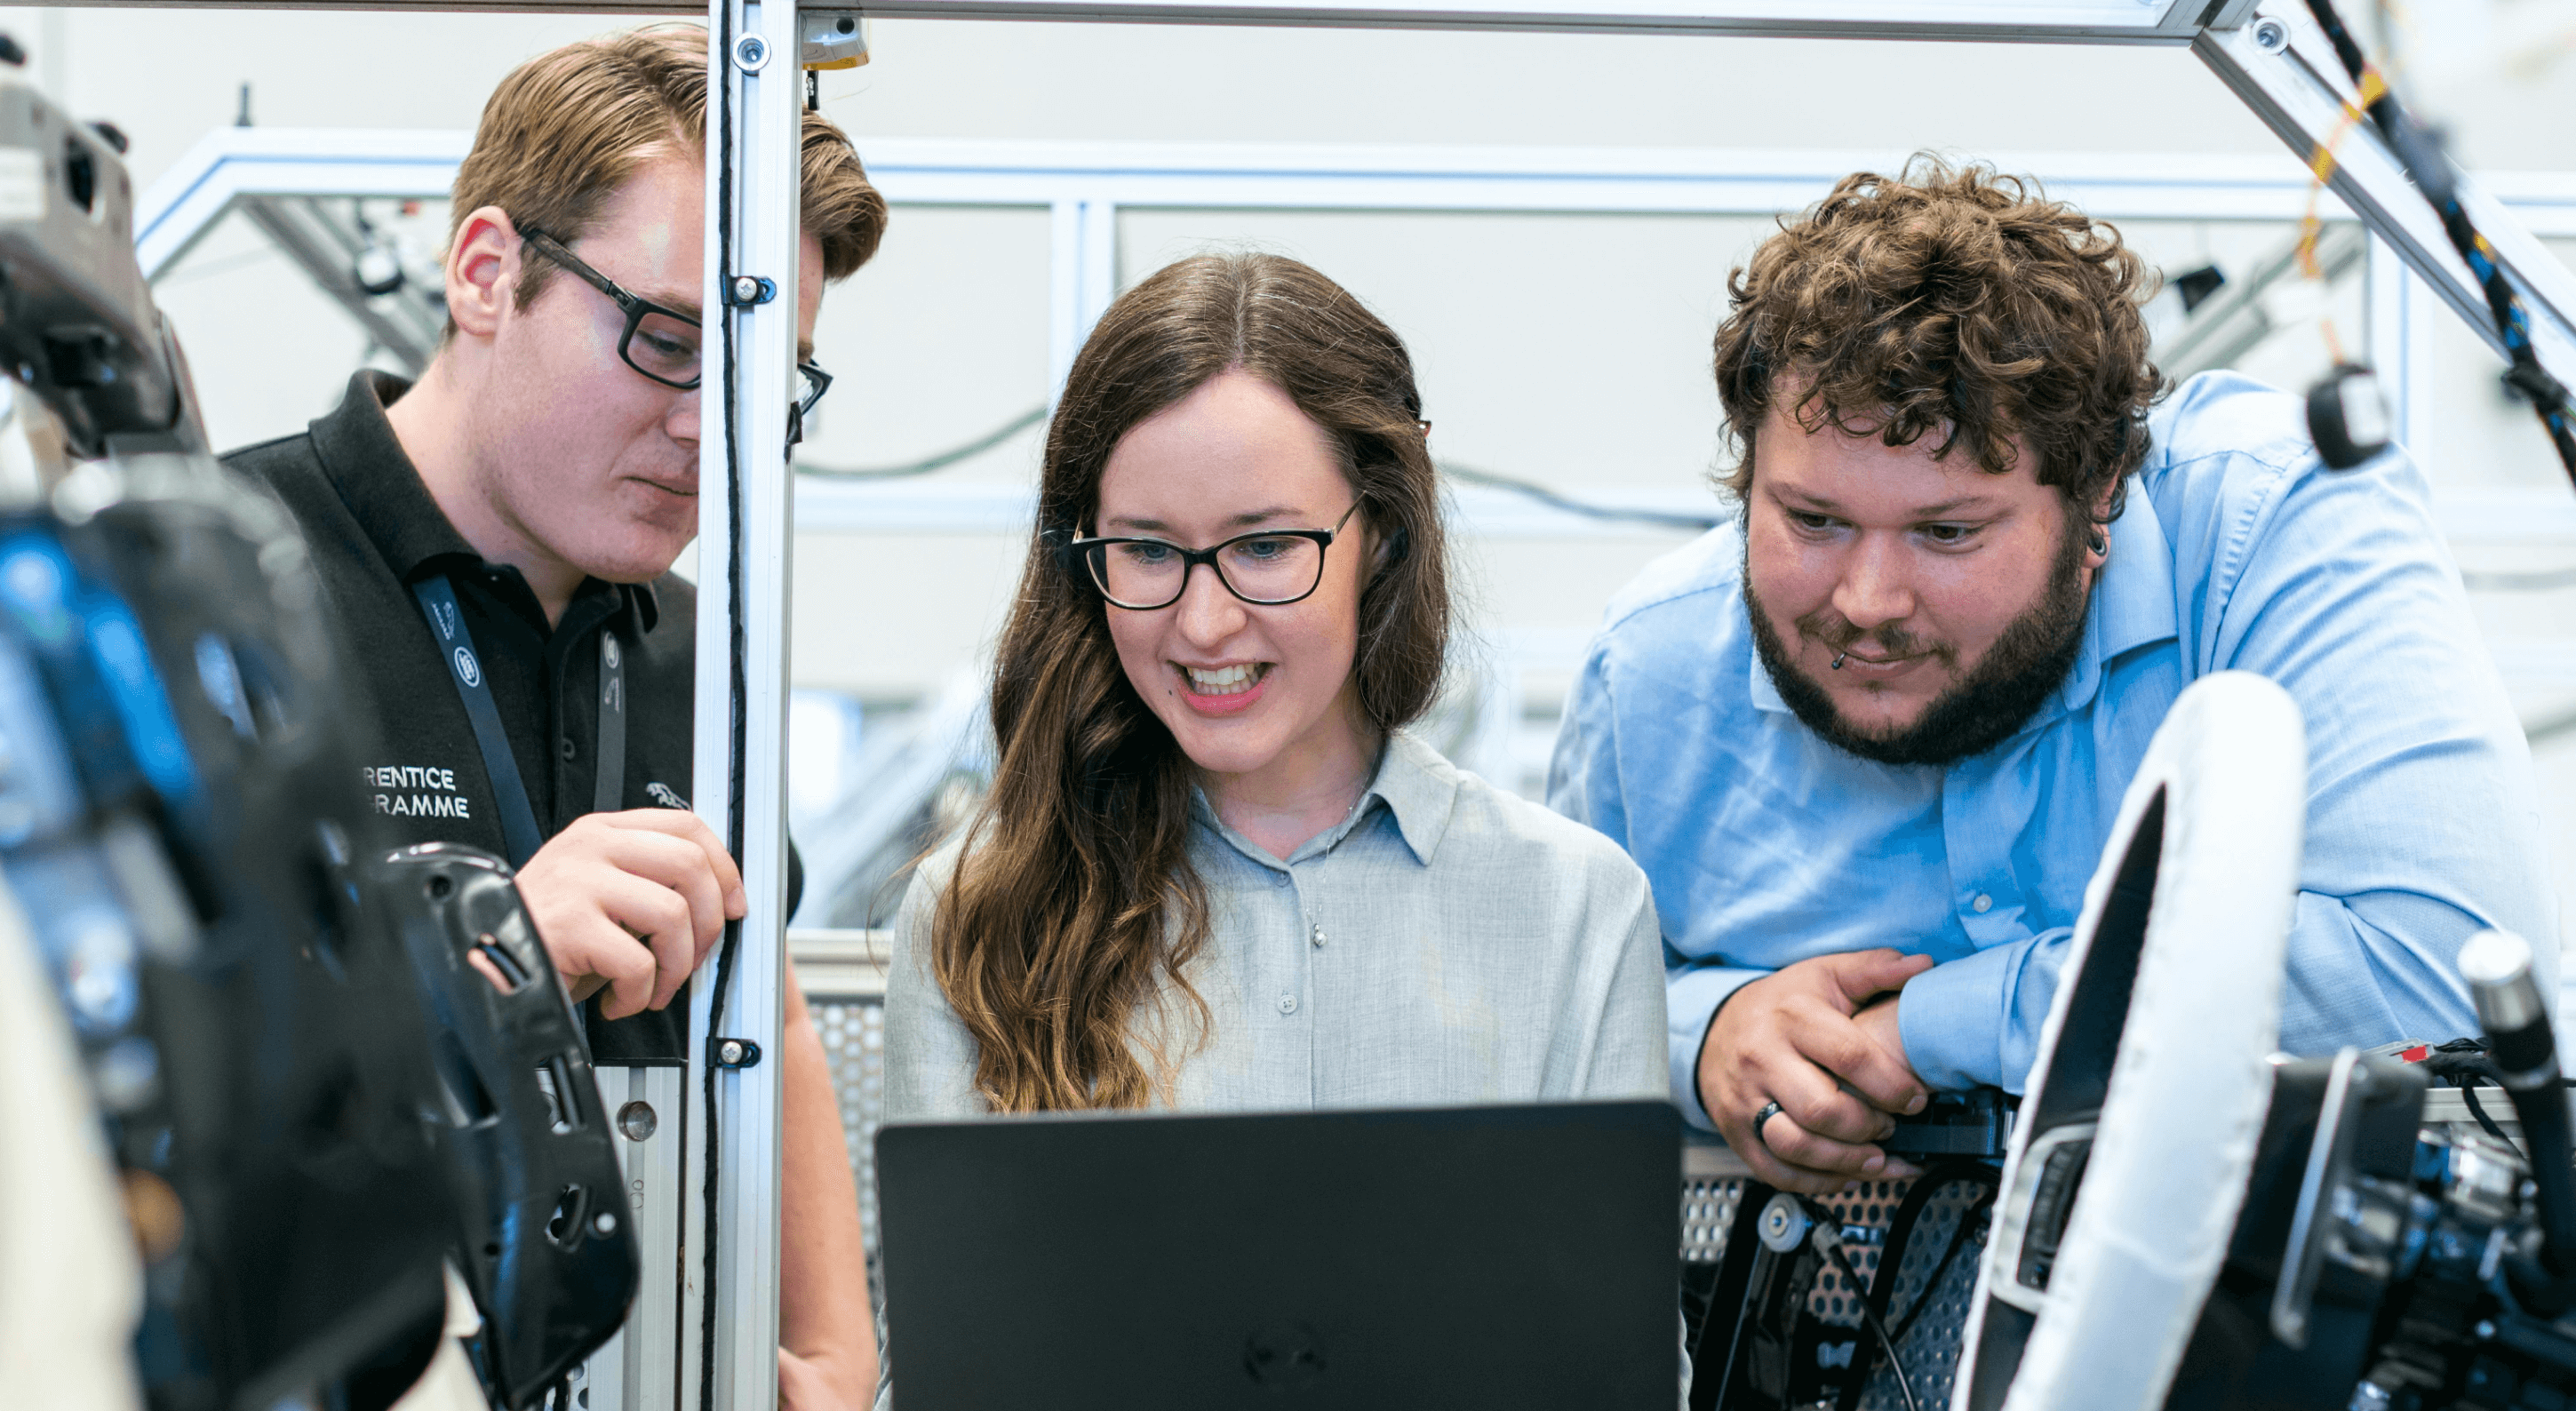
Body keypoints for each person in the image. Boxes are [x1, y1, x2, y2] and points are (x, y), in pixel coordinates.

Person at [1546, 158, 2556, 1196]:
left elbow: (2441, 963)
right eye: (1813, 521)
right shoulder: (1651, 672)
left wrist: (1927, 1029)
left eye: (1947, 532)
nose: (1867, 600)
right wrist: (1707, 1033)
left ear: (2100, 493)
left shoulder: (2271, 525)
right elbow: (1551, 1014)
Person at [219, 28, 884, 1407]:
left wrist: (830, 1345)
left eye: (767, 376)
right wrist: (487, 962)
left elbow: (779, 1006)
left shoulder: (706, 650)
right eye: (670, 339)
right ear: (486, 273)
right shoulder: (216, 586)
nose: (713, 428)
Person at [883, 252, 1665, 1120]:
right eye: (1146, 550)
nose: (1205, 623)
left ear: (1385, 530)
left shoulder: (1577, 910)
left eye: (1263, 547)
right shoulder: (974, 920)